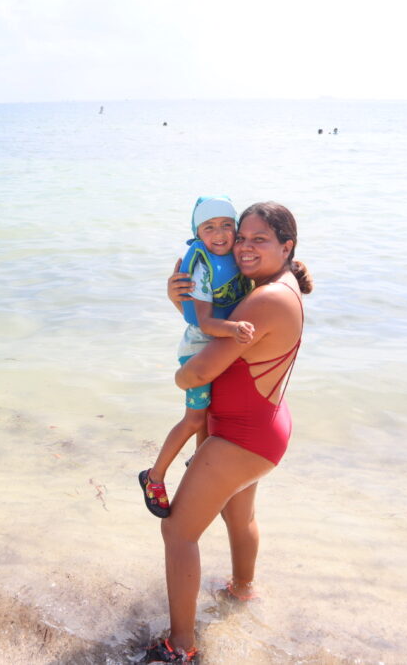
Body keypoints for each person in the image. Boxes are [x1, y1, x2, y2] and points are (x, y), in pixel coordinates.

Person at [144, 201, 313, 664]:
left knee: (178, 532)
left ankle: (180, 648)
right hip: (263, 424)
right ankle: (242, 592)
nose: (244, 247)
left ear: (286, 245)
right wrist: (177, 297)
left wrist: (179, 379)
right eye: (242, 237)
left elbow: (199, 373)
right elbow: (210, 319)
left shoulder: (264, 298)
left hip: (240, 435)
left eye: (259, 239)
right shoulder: (281, 286)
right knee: (239, 518)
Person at [139, 196, 253, 518]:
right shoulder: (201, 264)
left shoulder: (237, 257)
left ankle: (198, 462)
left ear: (236, 228)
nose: (219, 234)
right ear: (197, 233)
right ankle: (155, 477)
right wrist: (234, 329)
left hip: (220, 341)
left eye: (227, 226)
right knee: (195, 418)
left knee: (211, 415)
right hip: (198, 348)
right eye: (209, 227)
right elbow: (204, 322)